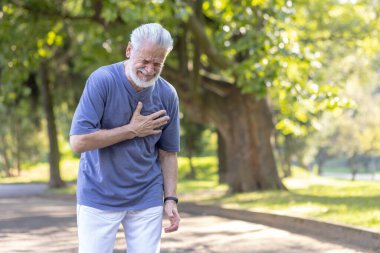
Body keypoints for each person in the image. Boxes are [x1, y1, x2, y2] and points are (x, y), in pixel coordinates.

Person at [69, 23, 180, 253]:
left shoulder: (167, 94)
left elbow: (168, 153)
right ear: (129, 50)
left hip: (146, 195)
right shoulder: (103, 80)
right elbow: (78, 141)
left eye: (157, 63)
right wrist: (131, 130)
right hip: (99, 194)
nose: (150, 70)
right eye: (145, 61)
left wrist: (170, 198)